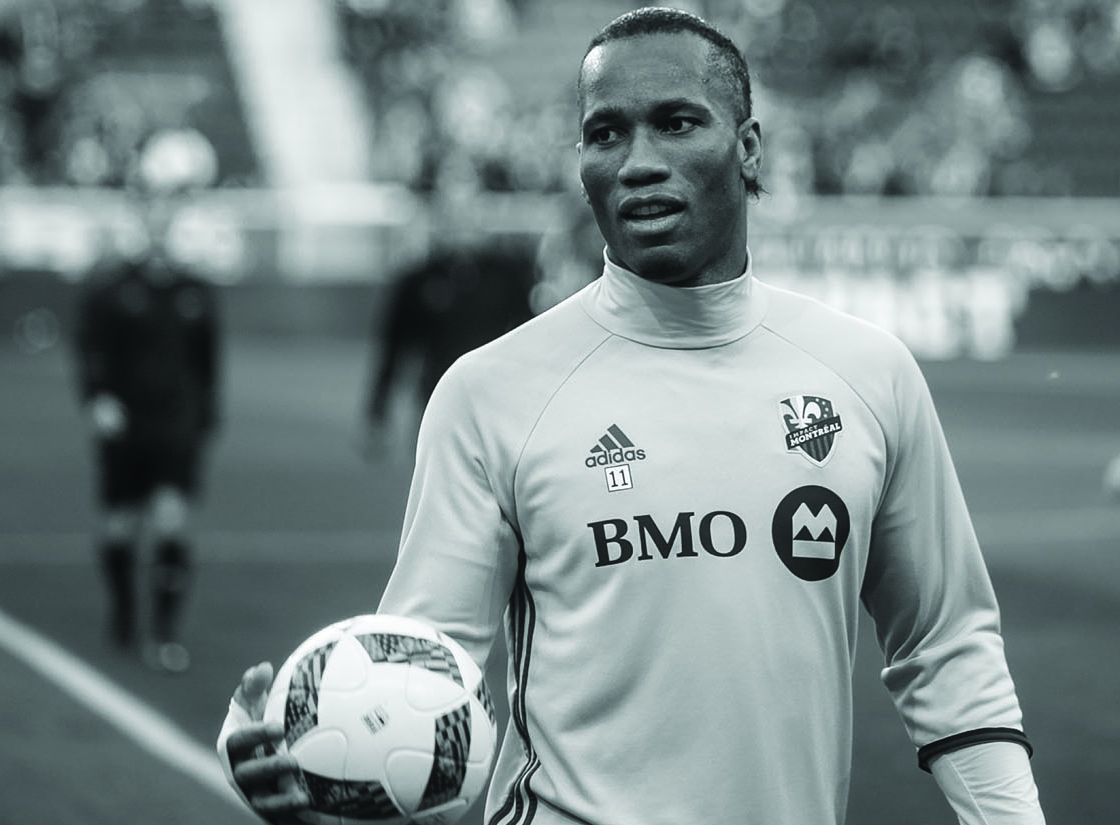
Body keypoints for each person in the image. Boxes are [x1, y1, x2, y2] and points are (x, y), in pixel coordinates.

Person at [219, 7, 1046, 825]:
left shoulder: (869, 375)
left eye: (677, 123)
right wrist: (321, 782)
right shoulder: (490, 392)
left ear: (748, 146)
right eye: (605, 133)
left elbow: (946, 647)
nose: (638, 161)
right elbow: (418, 687)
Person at [72, 220, 220, 674]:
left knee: (171, 522)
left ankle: (164, 630)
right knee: (119, 527)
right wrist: (97, 398)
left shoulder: (196, 292)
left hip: (176, 429)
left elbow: (209, 362)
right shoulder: (114, 289)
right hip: (125, 427)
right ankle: (122, 614)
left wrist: (206, 417)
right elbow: (90, 348)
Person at [361, 226, 535, 460]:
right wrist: (379, 406)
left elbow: (530, 336)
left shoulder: (506, 276)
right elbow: (395, 344)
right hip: (437, 398)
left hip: (495, 400)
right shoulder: (419, 279)